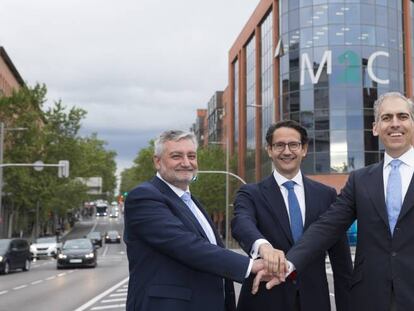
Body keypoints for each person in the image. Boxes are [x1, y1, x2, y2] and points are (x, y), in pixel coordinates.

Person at [259, 92, 414, 311]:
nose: (395, 124)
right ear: (375, 128)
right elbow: (327, 226)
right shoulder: (360, 180)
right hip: (370, 298)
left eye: (403, 116)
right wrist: (289, 263)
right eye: (387, 118)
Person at [124, 130, 264, 311]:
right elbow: (186, 245)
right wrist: (251, 266)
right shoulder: (144, 197)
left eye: (191, 156)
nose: (186, 163)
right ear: (157, 161)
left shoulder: (190, 201)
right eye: (176, 156)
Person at [232, 120, 352, 311]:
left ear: (304, 149)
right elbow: (241, 223)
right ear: (269, 150)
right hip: (264, 300)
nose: (287, 152)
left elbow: (341, 262)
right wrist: (263, 247)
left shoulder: (327, 195)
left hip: (314, 301)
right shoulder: (250, 193)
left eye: (293, 145)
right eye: (279, 145)